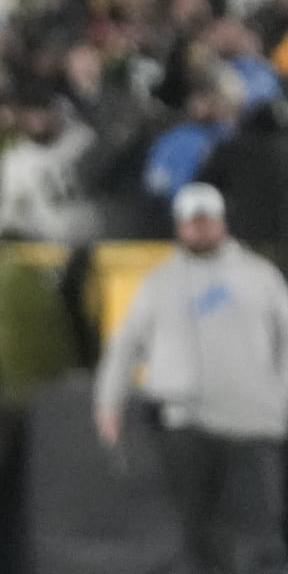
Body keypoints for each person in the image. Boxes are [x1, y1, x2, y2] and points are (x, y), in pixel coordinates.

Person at [95, 182, 288, 574]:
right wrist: (107, 402)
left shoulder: (261, 276)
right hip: (185, 424)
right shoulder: (159, 282)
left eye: (205, 220)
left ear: (221, 221)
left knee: (259, 531)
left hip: (253, 425)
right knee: (192, 534)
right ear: (179, 225)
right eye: (190, 221)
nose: (198, 229)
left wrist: (280, 400)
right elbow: (124, 345)